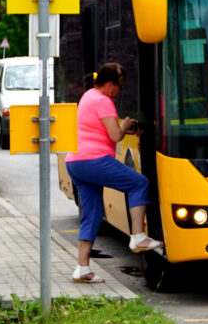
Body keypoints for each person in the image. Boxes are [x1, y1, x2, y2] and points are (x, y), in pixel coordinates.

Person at [64, 62, 162, 284]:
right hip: (94, 160)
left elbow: (99, 129)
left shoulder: (88, 96)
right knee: (138, 183)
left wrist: (126, 128)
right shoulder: (103, 100)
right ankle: (138, 236)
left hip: (75, 162)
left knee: (92, 214)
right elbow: (116, 135)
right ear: (109, 84)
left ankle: (82, 268)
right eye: (120, 85)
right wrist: (125, 124)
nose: (120, 90)